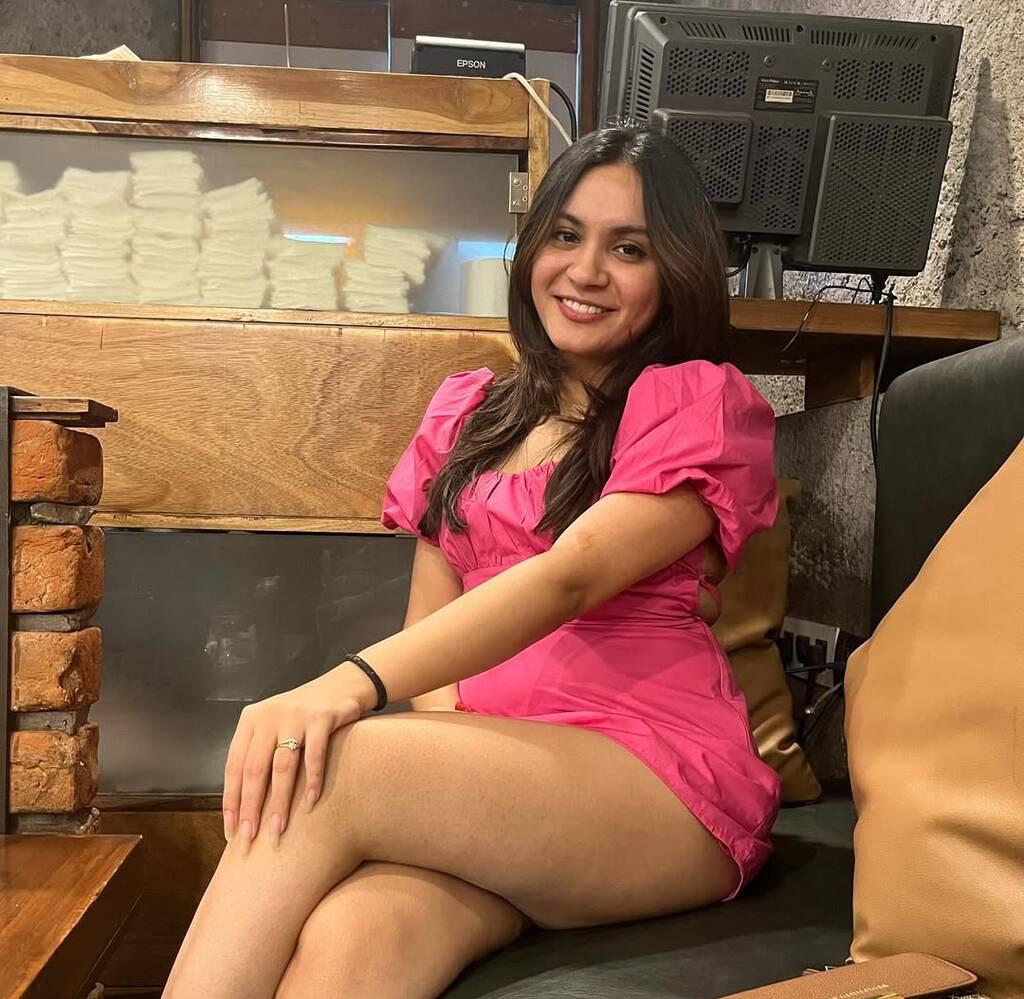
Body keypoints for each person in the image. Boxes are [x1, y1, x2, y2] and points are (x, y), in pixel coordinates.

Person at [164, 125, 782, 999]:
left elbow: (572, 574)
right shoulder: (465, 414)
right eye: (565, 235)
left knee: (329, 764)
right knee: (357, 936)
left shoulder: (696, 403)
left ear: (674, 272)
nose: (585, 270)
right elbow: (433, 631)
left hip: (655, 777)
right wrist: (452, 768)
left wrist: (344, 685)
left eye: (629, 249)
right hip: (507, 786)